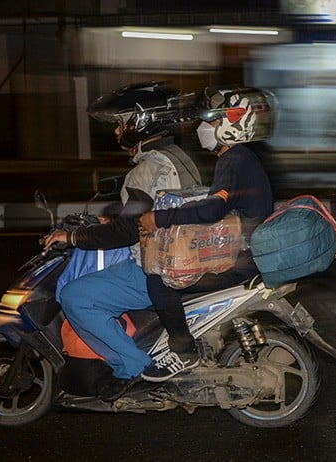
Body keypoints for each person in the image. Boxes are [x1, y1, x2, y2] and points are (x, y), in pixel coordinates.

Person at [43, 82, 202, 401]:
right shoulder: (178, 157)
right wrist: (112, 222)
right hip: (190, 256)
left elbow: (130, 231)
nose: (118, 131)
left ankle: (130, 365)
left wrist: (74, 236)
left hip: (155, 267)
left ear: (142, 121)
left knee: (76, 296)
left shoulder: (145, 169)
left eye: (122, 122)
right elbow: (145, 216)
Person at [137, 86, 275, 382]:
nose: (204, 128)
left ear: (232, 125)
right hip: (248, 253)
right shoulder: (243, 158)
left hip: (241, 261)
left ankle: (183, 351)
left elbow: (212, 210)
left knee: (159, 281)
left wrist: (159, 218)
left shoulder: (234, 159)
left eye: (211, 122)